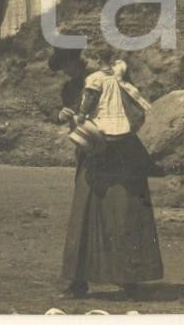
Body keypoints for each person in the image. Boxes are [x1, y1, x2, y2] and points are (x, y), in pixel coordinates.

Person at [59, 52, 162, 298]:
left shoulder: (112, 79)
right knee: (88, 213)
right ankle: (80, 281)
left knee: (122, 212)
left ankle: (128, 279)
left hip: (118, 154)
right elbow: (76, 120)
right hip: (98, 153)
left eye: (68, 65)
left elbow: (131, 112)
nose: (67, 72)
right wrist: (64, 115)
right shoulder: (76, 86)